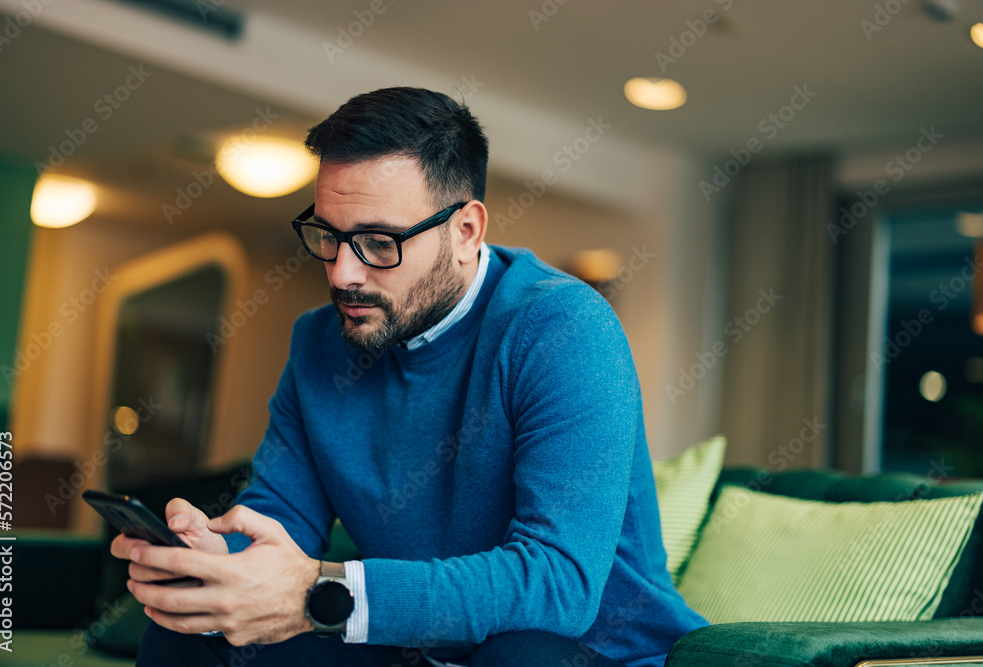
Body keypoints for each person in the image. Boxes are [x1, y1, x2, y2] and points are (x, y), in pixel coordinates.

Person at [112, 86, 707, 667]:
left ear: (465, 232)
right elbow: (280, 520)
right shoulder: (319, 342)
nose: (344, 272)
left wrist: (323, 593)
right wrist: (218, 559)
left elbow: (559, 587)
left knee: (521, 654)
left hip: (589, 648)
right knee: (195, 635)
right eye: (328, 235)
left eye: (378, 241)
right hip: (412, 645)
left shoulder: (563, 328)